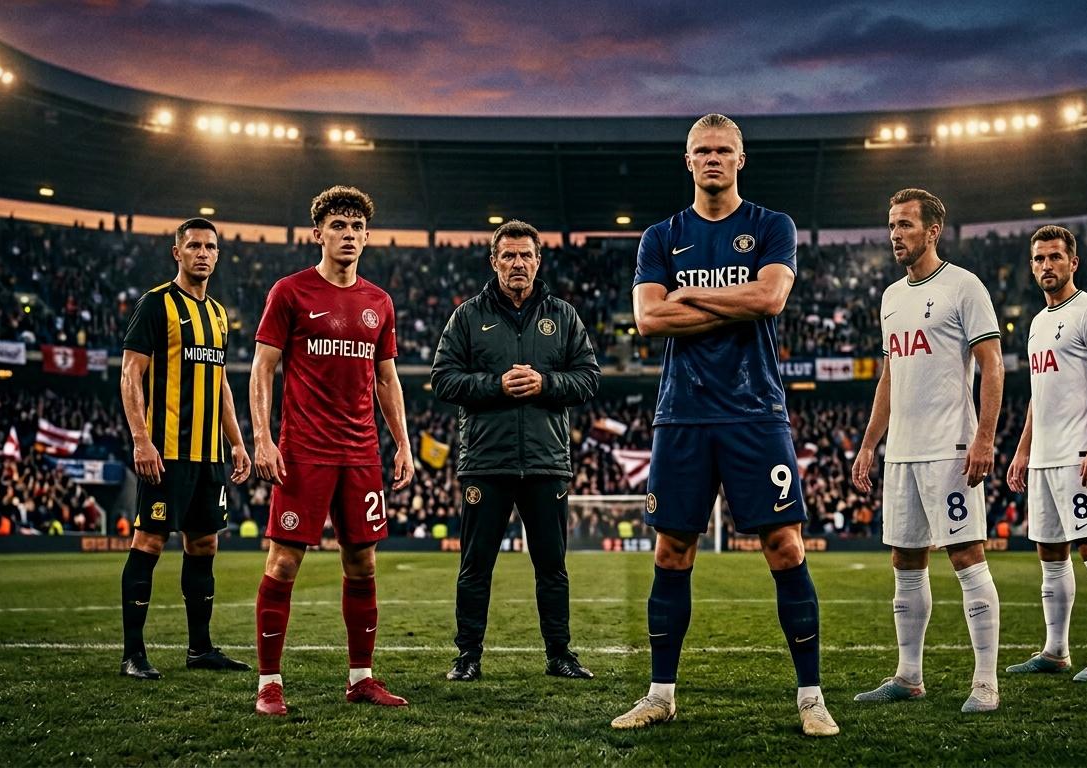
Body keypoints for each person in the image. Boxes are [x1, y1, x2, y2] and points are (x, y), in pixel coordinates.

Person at [610, 114, 838, 737]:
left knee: (785, 545)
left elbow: (770, 300)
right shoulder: (661, 236)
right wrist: (730, 305)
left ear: (741, 159)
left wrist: (685, 298)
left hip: (754, 410)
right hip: (682, 413)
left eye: (723, 150)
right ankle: (660, 695)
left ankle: (811, 698)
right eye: (702, 150)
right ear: (687, 161)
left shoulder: (771, 226)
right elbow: (648, 321)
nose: (713, 158)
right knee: (671, 550)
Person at [249, 186, 415, 716]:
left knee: (363, 563)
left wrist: (403, 443)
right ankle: (269, 684)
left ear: (367, 237)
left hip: (361, 454)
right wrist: (262, 437)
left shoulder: (378, 302)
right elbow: (263, 368)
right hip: (304, 452)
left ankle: (361, 678)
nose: (348, 234)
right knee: (283, 563)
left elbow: (386, 379)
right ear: (317, 233)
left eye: (356, 226)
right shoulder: (290, 292)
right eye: (338, 225)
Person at [851, 188, 1005, 713]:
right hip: (902, 452)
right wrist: (869, 444)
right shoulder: (891, 297)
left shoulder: (964, 286)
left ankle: (985, 683)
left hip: (950, 448)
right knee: (905, 560)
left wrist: (984, 437)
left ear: (932, 230)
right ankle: (908, 676)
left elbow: (993, 365)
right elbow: (890, 377)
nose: (895, 234)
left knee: (966, 557)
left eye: (906, 225)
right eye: (892, 225)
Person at [430, 219, 601, 682]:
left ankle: (560, 655)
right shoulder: (467, 316)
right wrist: (496, 385)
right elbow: (443, 379)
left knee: (552, 567)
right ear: (494, 261)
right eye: (508, 255)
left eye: (526, 255)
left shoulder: (563, 316)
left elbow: (589, 378)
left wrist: (546, 383)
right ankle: (467, 657)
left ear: (538, 261)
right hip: (486, 462)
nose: (518, 263)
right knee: (475, 566)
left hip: (546, 462)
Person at [118, 217, 252, 680]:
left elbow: (221, 385)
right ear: (177, 253)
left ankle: (200, 649)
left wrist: (237, 442)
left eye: (210, 247)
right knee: (150, 541)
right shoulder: (156, 304)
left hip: (209, 455)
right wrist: (141, 439)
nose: (202, 253)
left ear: (218, 255)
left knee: (205, 543)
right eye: (193, 245)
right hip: (167, 451)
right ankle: (133, 654)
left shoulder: (218, 314)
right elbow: (130, 373)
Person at [1005, 225, 1087, 683]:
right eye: (1039, 258)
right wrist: (1022, 451)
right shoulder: (1037, 323)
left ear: (1073, 262)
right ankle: (1056, 651)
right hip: (1043, 458)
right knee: (1050, 554)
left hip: (1079, 454)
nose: (1047, 265)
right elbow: (1039, 396)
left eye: (1055, 256)